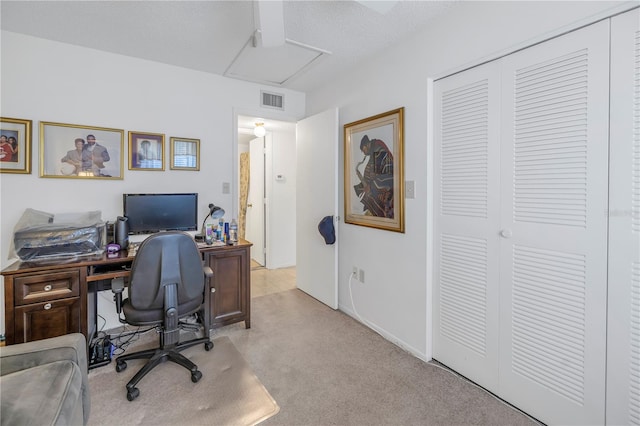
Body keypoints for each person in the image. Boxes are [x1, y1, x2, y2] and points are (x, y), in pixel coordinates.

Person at [353, 134, 394, 218]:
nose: (363, 152)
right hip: (378, 187)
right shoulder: (375, 151)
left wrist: (370, 186)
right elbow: (372, 174)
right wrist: (361, 186)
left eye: (363, 149)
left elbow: (383, 176)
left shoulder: (378, 152)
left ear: (367, 145)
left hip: (385, 190)